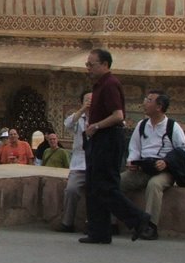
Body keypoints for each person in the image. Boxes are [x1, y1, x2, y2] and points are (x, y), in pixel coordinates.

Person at [78, 48, 151, 245]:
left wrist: (96, 126)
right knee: (94, 186)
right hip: (99, 139)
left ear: (105, 65)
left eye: (91, 65)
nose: (88, 68)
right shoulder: (99, 85)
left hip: (108, 139)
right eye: (87, 64)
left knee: (106, 186)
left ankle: (138, 219)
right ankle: (99, 231)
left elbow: (118, 115)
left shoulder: (110, 84)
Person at [120, 91, 185, 240]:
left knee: (154, 185)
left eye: (149, 100)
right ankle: (113, 221)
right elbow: (134, 147)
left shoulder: (172, 127)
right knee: (118, 182)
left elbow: (184, 153)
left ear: (159, 106)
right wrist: (132, 161)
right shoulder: (142, 125)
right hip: (144, 167)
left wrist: (166, 162)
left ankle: (150, 226)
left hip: (164, 170)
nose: (145, 102)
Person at [56, 92, 90, 233]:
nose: (90, 102)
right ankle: (67, 222)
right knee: (71, 190)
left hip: (95, 161)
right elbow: (68, 123)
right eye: (87, 100)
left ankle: (91, 223)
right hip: (79, 162)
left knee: (94, 192)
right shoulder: (78, 118)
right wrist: (82, 110)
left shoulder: (102, 117)